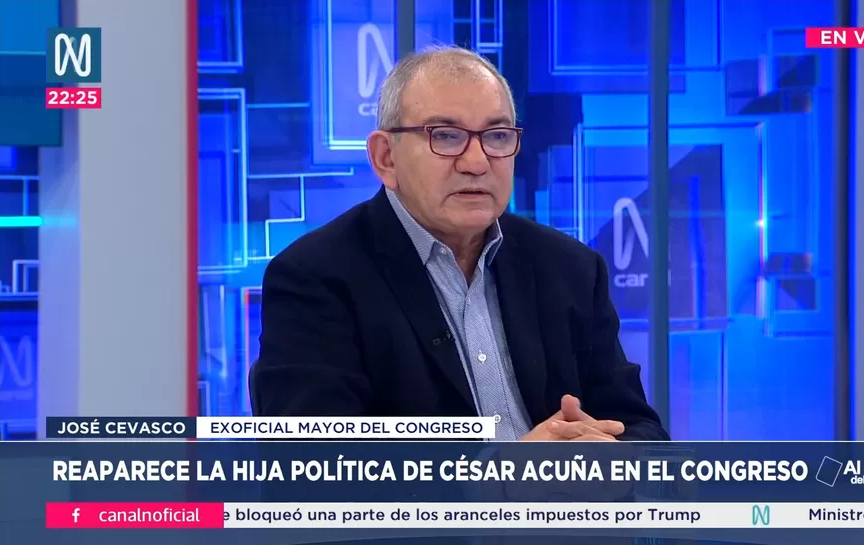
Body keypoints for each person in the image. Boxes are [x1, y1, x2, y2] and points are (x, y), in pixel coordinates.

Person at [251, 45, 668, 442]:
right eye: (446, 136)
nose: (476, 162)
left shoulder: (571, 268)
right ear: (386, 158)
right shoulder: (315, 278)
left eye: (497, 136)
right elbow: (321, 469)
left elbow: (641, 430)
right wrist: (508, 474)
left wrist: (607, 457)